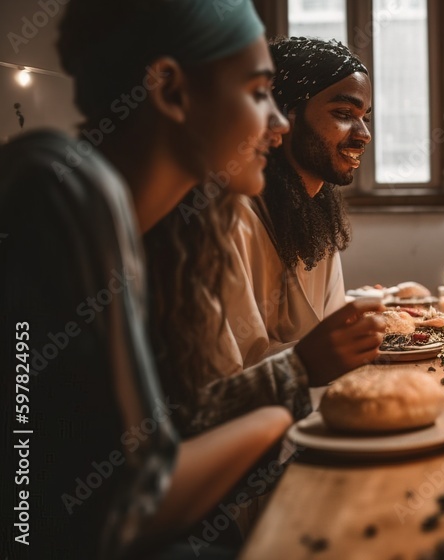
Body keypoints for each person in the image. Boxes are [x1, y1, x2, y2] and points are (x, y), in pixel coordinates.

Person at [0, 1, 294, 558]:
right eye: (258, 92)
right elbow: (123, 506)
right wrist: (276, 415)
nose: (278, 123)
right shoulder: (64, 185)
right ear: (170, 91)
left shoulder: (157, 234)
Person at [144, 37, 386, 437]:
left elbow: (328, 331)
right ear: (286, 111)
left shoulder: (315, 209)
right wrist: (304, 365)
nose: (363, 134)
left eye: (365, 118)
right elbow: (207, 399)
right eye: (344, 113)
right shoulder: (225, 217)